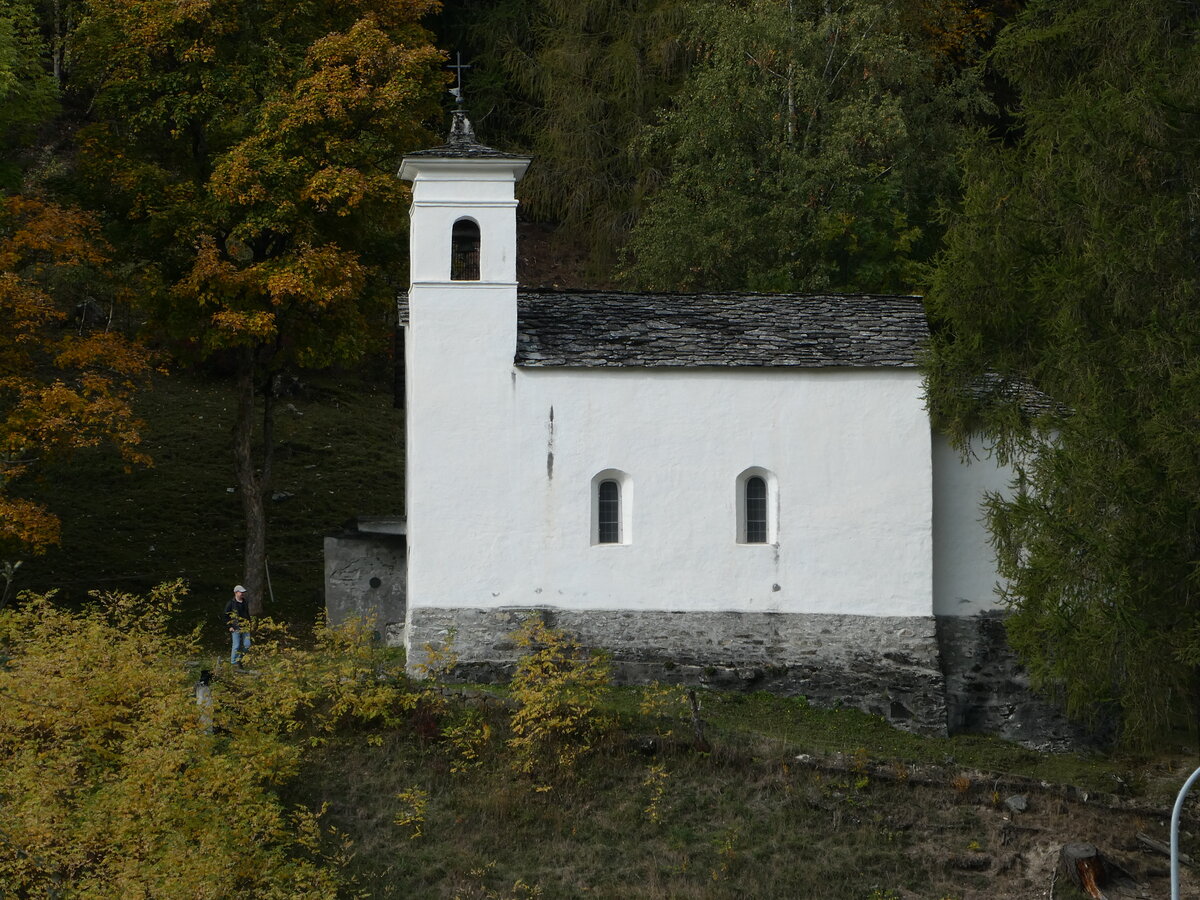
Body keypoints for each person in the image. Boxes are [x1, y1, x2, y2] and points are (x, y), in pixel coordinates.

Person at [224, 585, 252, 665]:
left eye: (243, 592)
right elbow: (225, 616)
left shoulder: (245, 602)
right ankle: (233, 662)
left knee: (247, 645)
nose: (242, 593)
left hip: (245, 627)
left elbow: (247, 614)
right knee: (236, 645)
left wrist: (249, 623)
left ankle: (240, 659)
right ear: (236, 592)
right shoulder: (230, 603)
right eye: (241, 592)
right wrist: (230, 626)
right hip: (235, 627)